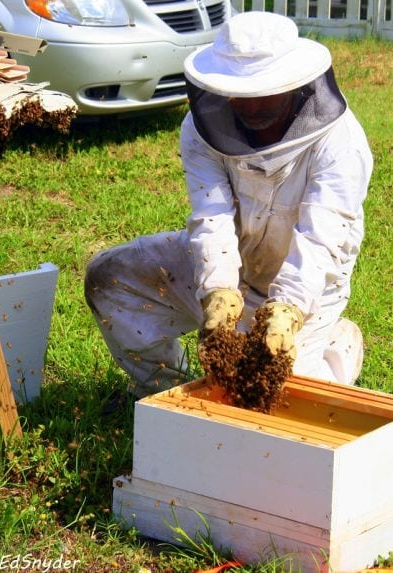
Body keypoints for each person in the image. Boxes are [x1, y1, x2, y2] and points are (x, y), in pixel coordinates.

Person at [84, 11, 373, 399]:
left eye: (263, 93)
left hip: (311, 286)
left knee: (272, 400)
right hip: (234, 266)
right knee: (110, 278)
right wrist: (218, 290)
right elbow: (212, 216)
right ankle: (171, 392)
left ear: (295, 86)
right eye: (239, 94)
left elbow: (320, 239)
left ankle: (337, 353)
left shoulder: (341, 143)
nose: (250, 109)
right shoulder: (201, 129)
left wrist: (287, 311)